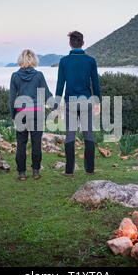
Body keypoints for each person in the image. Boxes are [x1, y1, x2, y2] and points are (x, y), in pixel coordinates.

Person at [56, 31, 101, 177]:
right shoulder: (91, 61)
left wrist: (57, 104)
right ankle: (90, 169)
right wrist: (97, 102)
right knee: (88, 134)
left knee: (70, 135)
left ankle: (69, 171)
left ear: (70, 44)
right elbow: (95, 83)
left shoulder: (64, 61)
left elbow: (60, 84)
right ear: (83, 43)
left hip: (70, 102)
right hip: (86, 101)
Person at [9, 49, 53, 181]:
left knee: (21, 143)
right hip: (36, 113)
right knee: (36, 143)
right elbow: (47, 94)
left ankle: (21, 173)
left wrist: (13, 114)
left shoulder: (15, 76)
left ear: (20, 60)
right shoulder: (39, 75)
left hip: (20, 113)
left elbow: (12, 98)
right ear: (34, 59)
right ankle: (36, 171)